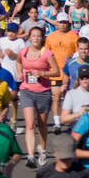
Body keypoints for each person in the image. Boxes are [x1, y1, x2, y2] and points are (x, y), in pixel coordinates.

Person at [19, 25, 60, 167]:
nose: (36, 38)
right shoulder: (23, 52)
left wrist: (43, 74)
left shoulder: (47, 53)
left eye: (38, 36)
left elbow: (56, 71)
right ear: (29, 38)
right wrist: (20, 73)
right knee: (30, 124)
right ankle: (30, 156)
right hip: (26, 91)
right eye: (33, 36)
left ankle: (42, 149)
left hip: (43, 91)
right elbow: (19, 62)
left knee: (42, 124)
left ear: (42, 38)